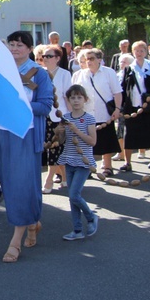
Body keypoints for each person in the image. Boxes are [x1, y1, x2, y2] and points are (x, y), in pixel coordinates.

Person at [0, 31, 53, 263]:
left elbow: (45, 106)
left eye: (20, 45)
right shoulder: (1, 70)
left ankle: (15, 241)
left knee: (21, 183)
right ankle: (32, 221)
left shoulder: (39, 74)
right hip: (3, 131)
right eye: (12, 44)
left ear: (29, 49)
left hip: (25, 133)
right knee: (9, 183)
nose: (15, 48)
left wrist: (22, 102)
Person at [57, 84, 98, 240]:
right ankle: (77, 230)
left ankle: (90, 217)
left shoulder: (89, 118)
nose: (76, 101)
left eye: (79, 97)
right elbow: (62, 141)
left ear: (85, 100)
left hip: (83, 161)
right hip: (69, 159)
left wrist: (76, 131)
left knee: (74, 195)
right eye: (72, 97)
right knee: (72, 196)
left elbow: (92, 141)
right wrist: (60, 132)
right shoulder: (66, 118)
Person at [75, 48, 123, 177]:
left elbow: (117, 92)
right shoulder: (79, 75)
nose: (88, 61)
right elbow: (73, 95)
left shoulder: (109, 73)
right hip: (85, 115)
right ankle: (87, 167)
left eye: (91, 58)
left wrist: (117, 109)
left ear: (99, 60)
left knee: (105, 140)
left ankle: (107, 166)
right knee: (85, 142)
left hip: (104, 114)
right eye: (86, 59)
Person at [120, 41, 150, 170]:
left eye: (141, 51)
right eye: (136, 51)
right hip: (133, 105)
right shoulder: (129, 68)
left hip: (148, 105)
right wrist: (121, 105)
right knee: (130, 134)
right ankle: (127, 162)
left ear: (146, 52)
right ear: (133, 52)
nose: (139, 53)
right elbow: (123, 87)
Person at [41, 45, 72, 193]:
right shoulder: (40, 73)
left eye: (49, 56)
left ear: (57, 58)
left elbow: (67, 97)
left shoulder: (64, 74)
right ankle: (65, 177)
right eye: (44, 56)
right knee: (50, 148)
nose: (45, 59)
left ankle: (49, 180)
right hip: (43, 116)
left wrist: (70, 118)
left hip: (59, 116)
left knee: (55, 148)